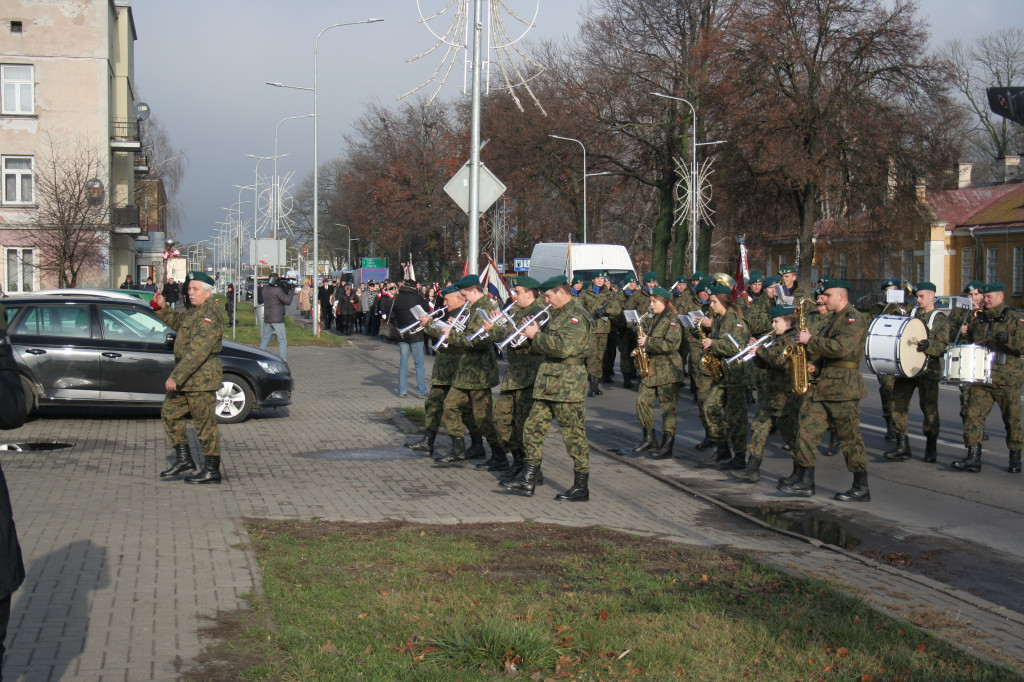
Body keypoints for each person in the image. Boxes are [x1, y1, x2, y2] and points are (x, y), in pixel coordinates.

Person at [780, 279, 871, 501]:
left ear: (841, 296)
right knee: (807, 431)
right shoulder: (834, 319)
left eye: (827, 295)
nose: (823, 299)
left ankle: (861, 486)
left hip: (844, 387)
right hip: (823, 384)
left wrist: (811, 341)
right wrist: (816, 364)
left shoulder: (853, 319)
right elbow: (829, 352)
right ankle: (805, 481)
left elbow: (842, 348)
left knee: (849, 438)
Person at [502, 276, 592, 500]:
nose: (547, 301)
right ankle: (529, 478)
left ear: (562, 291)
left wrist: (536, 336)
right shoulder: (557, 314)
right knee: (531, 428)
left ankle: (581, 485)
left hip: (568, 385)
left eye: (549, 296)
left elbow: (562, 348)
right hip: (547, 383)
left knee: (573, 436)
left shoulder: (577, 316)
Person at [151, 271, 225, 484]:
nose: (190, 293)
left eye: (195, 290)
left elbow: (198, 351)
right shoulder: (195, 312)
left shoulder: (209, 315)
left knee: (205, 425)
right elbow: (178, 321)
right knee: (170, 413)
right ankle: (184, 460)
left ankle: (211, 470)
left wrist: (177, 376)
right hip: (188, 380)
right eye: (189, 289)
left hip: (200, 380)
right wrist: (161, 307)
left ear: (208, 293)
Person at [419, 275, 500, 463]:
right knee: (452, 406)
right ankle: (458, 449)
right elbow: (468, 335)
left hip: (479, 371)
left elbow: (479, 340)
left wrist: (452, 336)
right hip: (467, 369)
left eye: (465, 294)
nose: (464, 299)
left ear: (473, 291)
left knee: (482, 417)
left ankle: (499, 455)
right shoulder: (473, 308)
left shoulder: (486, 308)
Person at [952, 282, 1024, 474]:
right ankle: (973, 457)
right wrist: (963, 334)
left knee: (1012, 420)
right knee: (973, 415)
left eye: (989, 297)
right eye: (984, 297)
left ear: (1000, 297)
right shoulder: (979, 319)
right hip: (982, 378)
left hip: (1007, 379)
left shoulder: (1013, 318)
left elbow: (1022, 345)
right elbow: (968, 346)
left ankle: (1015, 457)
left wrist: (1007, 340)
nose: (985, 300)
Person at [483, 276, 545, 476]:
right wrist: (495, 327)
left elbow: (525, 337)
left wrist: (502, 327)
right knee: (501, 420)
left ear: (529, 293)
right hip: (514, 374)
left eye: (517, 292)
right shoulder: (516, 310)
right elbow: (508, 335)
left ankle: (531, 468)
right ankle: (518, 458)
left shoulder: (540, 311)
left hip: (531, 374)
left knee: (524, 424)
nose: (514, 295)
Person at [730, 305, 800, 482]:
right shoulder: (777, 338)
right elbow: (766, 364)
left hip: (786, 395)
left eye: (776, 321)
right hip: (770, 393)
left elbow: (779, 362)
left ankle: (801, 471)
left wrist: (760, 350)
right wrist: (757, 352)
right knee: (758, 429)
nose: (773, 325)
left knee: (790, 435)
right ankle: (752, 468)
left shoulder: (793, 340)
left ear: (789, 322)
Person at [407, 287, 479, 458]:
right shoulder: (447, 313)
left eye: (447, 300)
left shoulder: (467, 314)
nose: (444, 303)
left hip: (457, 368)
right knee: (433, 404)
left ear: (459, 298)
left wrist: (430, 325)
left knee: (464, 410)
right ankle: (428, 440)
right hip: (443, 368)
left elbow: (463, 338)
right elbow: (441, 332)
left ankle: (475, 444)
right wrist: (429, 324)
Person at [883, 282, 949, 463]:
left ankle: (931, 446)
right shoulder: (911, 314)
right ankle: (902, 445)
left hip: (928, 370)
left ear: (932, 296)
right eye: (917, 296)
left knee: (929, 409)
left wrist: (930, 345)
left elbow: (943, 345)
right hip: (907, 368)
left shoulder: (939, 318)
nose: (918, 300)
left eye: (922, 296)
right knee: (897, 405)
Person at [700, 283, 751, 468]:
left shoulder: (736, 320)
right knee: (710, 407)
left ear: (723, 301)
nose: (710, 305)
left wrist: (713, 343)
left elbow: (737, 348)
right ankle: (722, 449)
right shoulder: (720, 320)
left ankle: (739, 457)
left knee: (737, 418)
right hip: (723, 376)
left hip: (736, 376)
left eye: (713, 302)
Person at [631, 287, 684, 459]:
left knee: (668, 409)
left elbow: (672, 345)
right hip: (652, 369)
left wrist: (648, 341)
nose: (651, 304)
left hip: (668, 370)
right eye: (651, 301)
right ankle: (649, 438)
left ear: (664, 302)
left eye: (654, 301)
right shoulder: (654, 318)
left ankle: (667, 445)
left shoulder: (672, 320)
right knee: (642, 401)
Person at [869, 278, 906, 441]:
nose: (892, 293)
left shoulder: (908, 308)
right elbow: (872, 327)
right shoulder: (878, 308)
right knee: (887, 388)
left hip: (903, 354)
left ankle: (901, 428)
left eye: (895, 290)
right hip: (884, 353)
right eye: (889, 290)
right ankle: (890, 425)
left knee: (902, 393)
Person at [579, 271, 620, 397]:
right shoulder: (586, 294)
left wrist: (605, 310)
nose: (600, 280)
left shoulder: (609, 294)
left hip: (603, 329)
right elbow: (578, 309)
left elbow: (617, 310)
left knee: (600, 357)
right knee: (591, 356)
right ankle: (592, 385)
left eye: (602, 278)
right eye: (597, 278)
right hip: (590, 329)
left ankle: (596, 383)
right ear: (593, 280)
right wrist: (588, 316)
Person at [392, 279, 428, 398]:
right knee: (419, 364)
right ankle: (421, 391)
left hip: (402, 334)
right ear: (414, 288)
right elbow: (426, 310)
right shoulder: (417, 298)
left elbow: (392, 316)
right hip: (416, 335)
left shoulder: (396, 298)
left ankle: (402, 391)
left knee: (403, 363)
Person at [259, 272, 294, 360]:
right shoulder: (277, 290)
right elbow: (287, 301)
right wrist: (290, 291)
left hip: (268, 317)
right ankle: (282, 360)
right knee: (282, 340)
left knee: (265, 339)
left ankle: (259, 356)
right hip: (277, 319)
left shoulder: (265, 289)